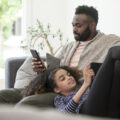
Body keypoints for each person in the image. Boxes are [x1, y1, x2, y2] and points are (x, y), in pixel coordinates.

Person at [0, 5, 120, 108]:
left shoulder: (109, 41)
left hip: (70, 95)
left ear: (92, 25)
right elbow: (53, 72)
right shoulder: (69, 46)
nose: (74, 29)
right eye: (73, 25)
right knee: (3, 96)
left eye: (78, 26)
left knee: (26, 105)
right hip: (52, 88)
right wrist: (42, 71)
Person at [20, 46, 120, 118]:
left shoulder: (80, 92)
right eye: (62, 79)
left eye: (68, 75)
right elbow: (65, 114)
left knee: (117, 65)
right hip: (86, 112)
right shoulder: (59, 99)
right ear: (57, 89)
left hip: (108, 109)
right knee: (112, 52)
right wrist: (85, 85)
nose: (68, 78)